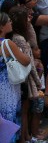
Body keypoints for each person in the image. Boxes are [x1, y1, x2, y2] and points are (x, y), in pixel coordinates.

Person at [0, 11, 31, 140]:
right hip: (9, 87)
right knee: (12, 119)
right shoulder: (7, 44)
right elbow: (26, 60)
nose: (11, 22)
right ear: (1, 26)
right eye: (8, 21)